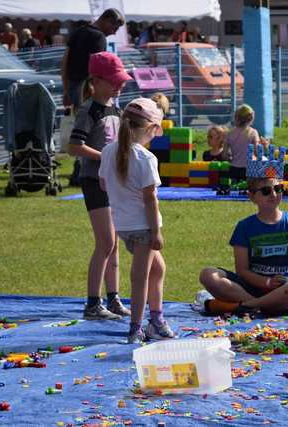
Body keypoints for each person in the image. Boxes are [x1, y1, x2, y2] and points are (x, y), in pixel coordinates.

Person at [197, 172, 288, 316]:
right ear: (252, 197)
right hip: (251, 289)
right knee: (208, 274)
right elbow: (242, 270)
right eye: (266, 191)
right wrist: (266, 282)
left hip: (284, 291)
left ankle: (246, 307)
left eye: (278, 189)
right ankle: (262, 306)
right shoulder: (245, 226)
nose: (273, 194)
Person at [98, 98, 175, 343]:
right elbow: (150, 198)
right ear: (151, 129)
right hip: (143, 227)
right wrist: (156, 232)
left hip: (123, 225)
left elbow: (102, 182)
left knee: (158, 269)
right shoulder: (145, 158)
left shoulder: (109, 151)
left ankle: (156, 318)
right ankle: (137, 328)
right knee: (140, 277)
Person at [68, 52, 133, 321]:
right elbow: (74, 147)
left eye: (121, 81)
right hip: (94, 182)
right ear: (96, 81)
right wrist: (105, 156)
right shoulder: (89, 110)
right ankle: (92, 304)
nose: (119, 86)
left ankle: (113, 298)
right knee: (105, 241)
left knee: (114, 243)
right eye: (114, 81)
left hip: (112, 182)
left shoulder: (116, 109)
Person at [61, 8, 124, 186]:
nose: (114, 32)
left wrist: (66, 89)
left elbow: (65, 60)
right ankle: (81, 172)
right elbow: (98, 68)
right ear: (107, 21)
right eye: (115, 27)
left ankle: (79, 171)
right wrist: (94, 89)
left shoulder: (79, 32)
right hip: (87, 87)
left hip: (74, 85)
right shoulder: (99, 38)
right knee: (93, 130)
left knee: (80, 126)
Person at [225, 104, 260, 182]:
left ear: (236, 117)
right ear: (251, 118)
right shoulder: (253, 132)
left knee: (235, 191)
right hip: (250, 168)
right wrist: (265, 147)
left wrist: (232, 158)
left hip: (234, 169)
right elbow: (257, 153)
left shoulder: (230, 133)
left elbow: (225, 155)